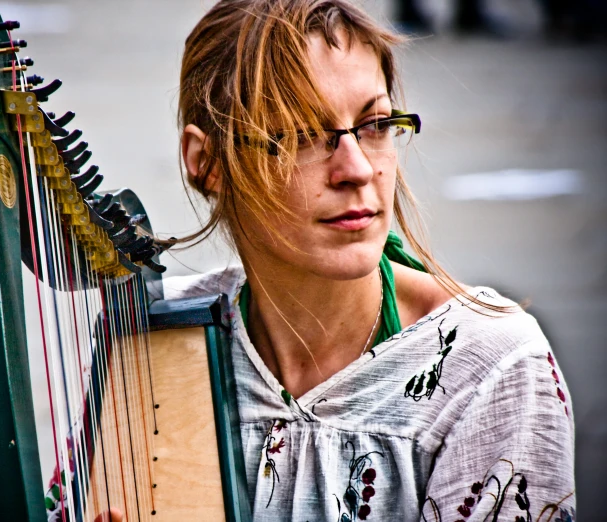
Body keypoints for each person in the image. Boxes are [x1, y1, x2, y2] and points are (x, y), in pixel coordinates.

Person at [86, 0, 576, 520]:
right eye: (299, 134)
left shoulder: (487, 369)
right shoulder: (158, 338)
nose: (357, 169)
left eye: (375, 124)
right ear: (207, 164)